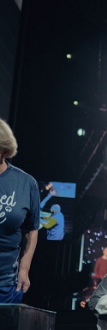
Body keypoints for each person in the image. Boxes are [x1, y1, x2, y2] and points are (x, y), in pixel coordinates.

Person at [0, 118, 40, 304]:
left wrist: (24, 269)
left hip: (6, 285)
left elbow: (32, 228)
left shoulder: (26, 183)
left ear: (4, 150)